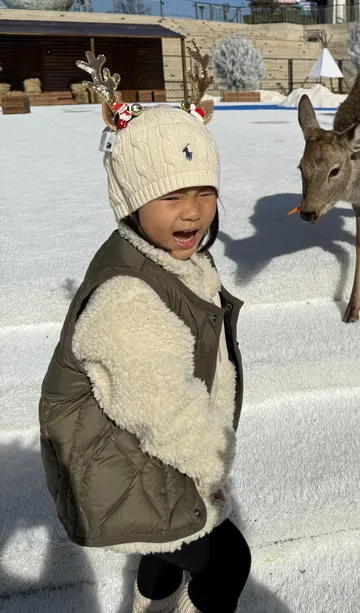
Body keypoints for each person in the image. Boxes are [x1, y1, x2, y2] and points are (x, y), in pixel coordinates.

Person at [39, 52, 250, 613]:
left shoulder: (169, 259)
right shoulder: (127, 297)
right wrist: (213, 459)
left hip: (145, 457)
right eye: (171, 196)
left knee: (170, 541)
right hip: (120, 466)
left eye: (204, 191)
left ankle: (150, 602)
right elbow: (161, 405)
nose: (193, 212)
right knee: (227, 558)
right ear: (132, 201)